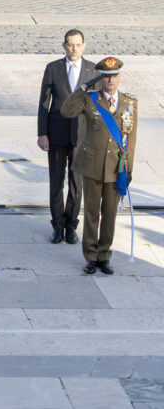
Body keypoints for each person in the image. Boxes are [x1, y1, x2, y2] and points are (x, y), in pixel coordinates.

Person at [61, 57, 138, 276]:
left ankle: (105, 255)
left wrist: (128, 168)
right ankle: (91, 256)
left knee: (110, 213)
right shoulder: (90, 99)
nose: (110, 81)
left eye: (114, 76)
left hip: (116, 167)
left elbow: (130, 138)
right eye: (105, 77)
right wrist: (82, 88)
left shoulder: (129, 103)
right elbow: (66, 111)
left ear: (120, 77)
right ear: (101, 79)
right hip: (93, 165)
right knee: (92, 213)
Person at [37, 29, 96, 245]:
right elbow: (44, 104)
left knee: (76, 183)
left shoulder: (92, 70)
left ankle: (71, 225)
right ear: (64, 46)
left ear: (84, 45)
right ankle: (58, 225)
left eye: (78, 44)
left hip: (82, 136)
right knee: (56, 183)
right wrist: (42, 133)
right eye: (70, 45)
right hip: (56, 134)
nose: (74, 49)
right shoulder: (53, 68)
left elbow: (97, 107)